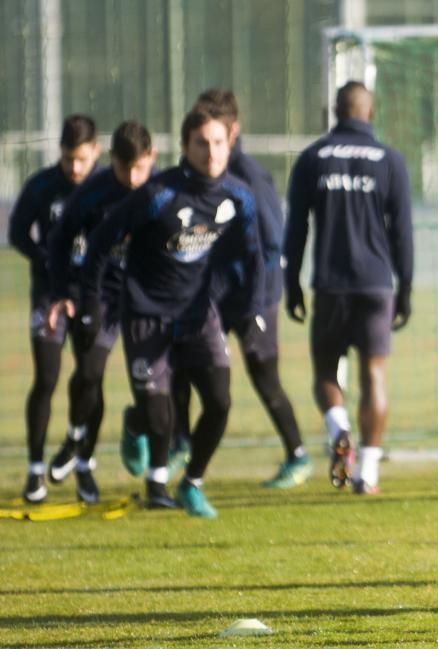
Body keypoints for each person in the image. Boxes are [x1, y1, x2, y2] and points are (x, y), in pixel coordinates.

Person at [80, 108, 264, 518]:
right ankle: (147, 456)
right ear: (185, 147)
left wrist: (251, 310)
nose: (212, 152)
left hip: (199, 314)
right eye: (202, 143)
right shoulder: (156, 194)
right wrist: (92, 305)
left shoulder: (238, 195)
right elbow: (99, 244)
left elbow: (252, 256)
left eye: (218, 142)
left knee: (219, 401)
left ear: (228, 144)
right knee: (158, 415)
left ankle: (192, 482)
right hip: (146, 313)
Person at [167, 88, 311, 489]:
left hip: (253, 299)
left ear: (234, 131)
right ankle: (180, 443)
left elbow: (271, 243)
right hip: (213, 297)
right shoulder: (199, 173)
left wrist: (259, 304)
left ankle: (298, 454)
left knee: (264, 376)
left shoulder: (247, 174)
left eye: (222, 133)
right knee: (182, 367)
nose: (214, 145)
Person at [284, 81, 413, 495]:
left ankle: (338, 427)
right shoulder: (390, 160)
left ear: (334, 112)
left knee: (325, 369)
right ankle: (368, 474)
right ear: (370, 114)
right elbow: (403, 234)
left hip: (331, 285)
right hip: (377, 285)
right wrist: (405, 287)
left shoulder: (312, 158)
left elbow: (296, 228)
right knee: (374, 373)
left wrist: (292, 283)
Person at [44, 121, 157, 503]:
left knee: (160, 386)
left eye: (140, 167)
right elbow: (59, 242)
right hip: (100, 295)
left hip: (147, 296)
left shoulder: (162, 188)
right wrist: (63, 293)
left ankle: (160, 463)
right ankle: (81, 455)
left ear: (151, 159)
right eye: (126, 169)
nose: (133, 177)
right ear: (112, 161)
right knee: (90, 373)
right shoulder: (93, 194)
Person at [7, 115, 101, 503]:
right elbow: (16, 232)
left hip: (92, 295)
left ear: (95, 151)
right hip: (49, 297)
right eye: (68, 160)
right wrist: (44, 258)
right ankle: (34, 471)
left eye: (81, 159)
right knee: (46, 379)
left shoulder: (107, 187)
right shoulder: (43, 186)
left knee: (91, 378)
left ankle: (82, 462)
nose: (75, 168)